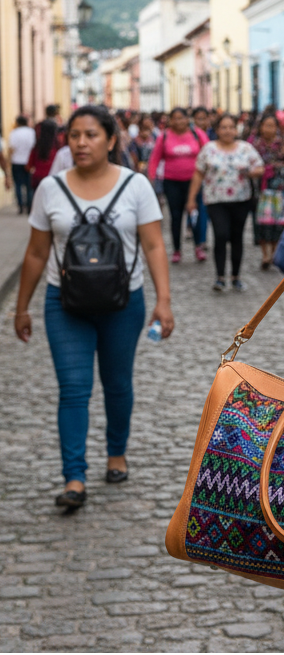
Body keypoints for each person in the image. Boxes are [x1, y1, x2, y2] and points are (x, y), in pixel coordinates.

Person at [14, 105, 174, 509]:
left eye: (91, 135)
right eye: (74, 135)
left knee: (117, 384)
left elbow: (154, 244)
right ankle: (74, 478)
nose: (81, 143)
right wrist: (21, 307)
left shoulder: (135, 185)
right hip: (64, 303)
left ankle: (116, 452)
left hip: (125, 302)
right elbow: (36, 253)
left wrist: (164, 301)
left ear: (111, 140)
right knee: (73, 389)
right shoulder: (50, 188)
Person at [186, 113, 264, 292]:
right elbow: (198, 173)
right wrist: (191, 199)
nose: (228, 131)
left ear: (236, 129)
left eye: (231, 127)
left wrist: (250, 172)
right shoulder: (209, 149)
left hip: (241, 199)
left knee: (237, 237)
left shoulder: (246, 148)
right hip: (216, 200)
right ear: (217, 130)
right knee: (220, 235)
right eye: (224, 127)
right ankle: (220, 276)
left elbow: (260, 168)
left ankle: (236, 276)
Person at [147, 107, 208, 264]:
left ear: (188, 119)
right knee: (176, 216)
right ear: (170, 120)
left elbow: (209, 152)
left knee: (195, 214)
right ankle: (176, 250)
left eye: (182, 118)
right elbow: (155, 158)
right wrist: (151, 178)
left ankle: (198, 246)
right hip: (171, 182)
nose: (179, 121)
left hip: (194, 182)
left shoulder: (196, 134)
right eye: (175, 118)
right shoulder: (165, 136)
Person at [250, 114, 284, 269]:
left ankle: (274, 252)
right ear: (261, 127)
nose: (269, 129)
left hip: (279, 188)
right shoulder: (255, 146)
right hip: (261, 189)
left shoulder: (283, 144)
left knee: (278, 221)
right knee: (262, 222)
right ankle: (265, 254)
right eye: (266, 125)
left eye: (272, 125)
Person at [9, 116, 36, 213]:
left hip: (16, 161)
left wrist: (9, 161)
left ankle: (20, 206)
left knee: (18, 185)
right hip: (29, 162)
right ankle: (29, 206)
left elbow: (11, 149)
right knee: (29, 185)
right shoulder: (32, 132)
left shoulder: (14, 133)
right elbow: (34, 147)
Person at [27, 119, 61, 193]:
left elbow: (28, 166)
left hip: (38, 180)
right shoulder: (58, 148)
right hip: (55, 181)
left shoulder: (37, 148)